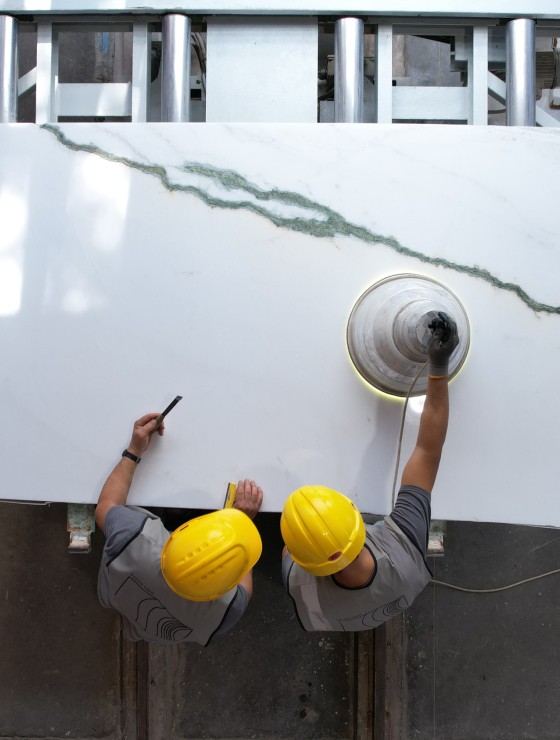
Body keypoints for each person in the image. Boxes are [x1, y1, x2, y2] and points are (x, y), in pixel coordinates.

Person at [281, 312, 459, 631]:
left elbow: (290, 551)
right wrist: (439, 366)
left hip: (344, 616)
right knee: (429, 516)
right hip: (399, 584)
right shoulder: (403, 543)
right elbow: (428, 450)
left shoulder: (298, 582)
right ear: (357, 516)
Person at [95, 413, 263, 645]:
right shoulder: (227, 610)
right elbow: (244, 589)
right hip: (154, 630)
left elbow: (106, 506)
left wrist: (134, 449)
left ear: (180, 532)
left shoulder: (133, 537)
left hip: (122, 601)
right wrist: (243, 518)